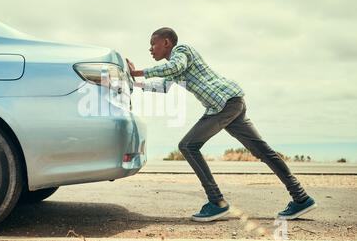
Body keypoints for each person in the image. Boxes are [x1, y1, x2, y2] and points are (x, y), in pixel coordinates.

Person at [126, 27, 317, 222]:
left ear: (166, 42)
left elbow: (175, 67)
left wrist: (138, 72)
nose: (150, 49)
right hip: (232, 102)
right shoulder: (175, 66)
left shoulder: (182, 51)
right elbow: (163, 86)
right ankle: (301, 198)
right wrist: (133, 82)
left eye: (153, 44)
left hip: (223, 104)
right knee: (262, 150)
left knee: (188, 146)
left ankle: (217, 202)